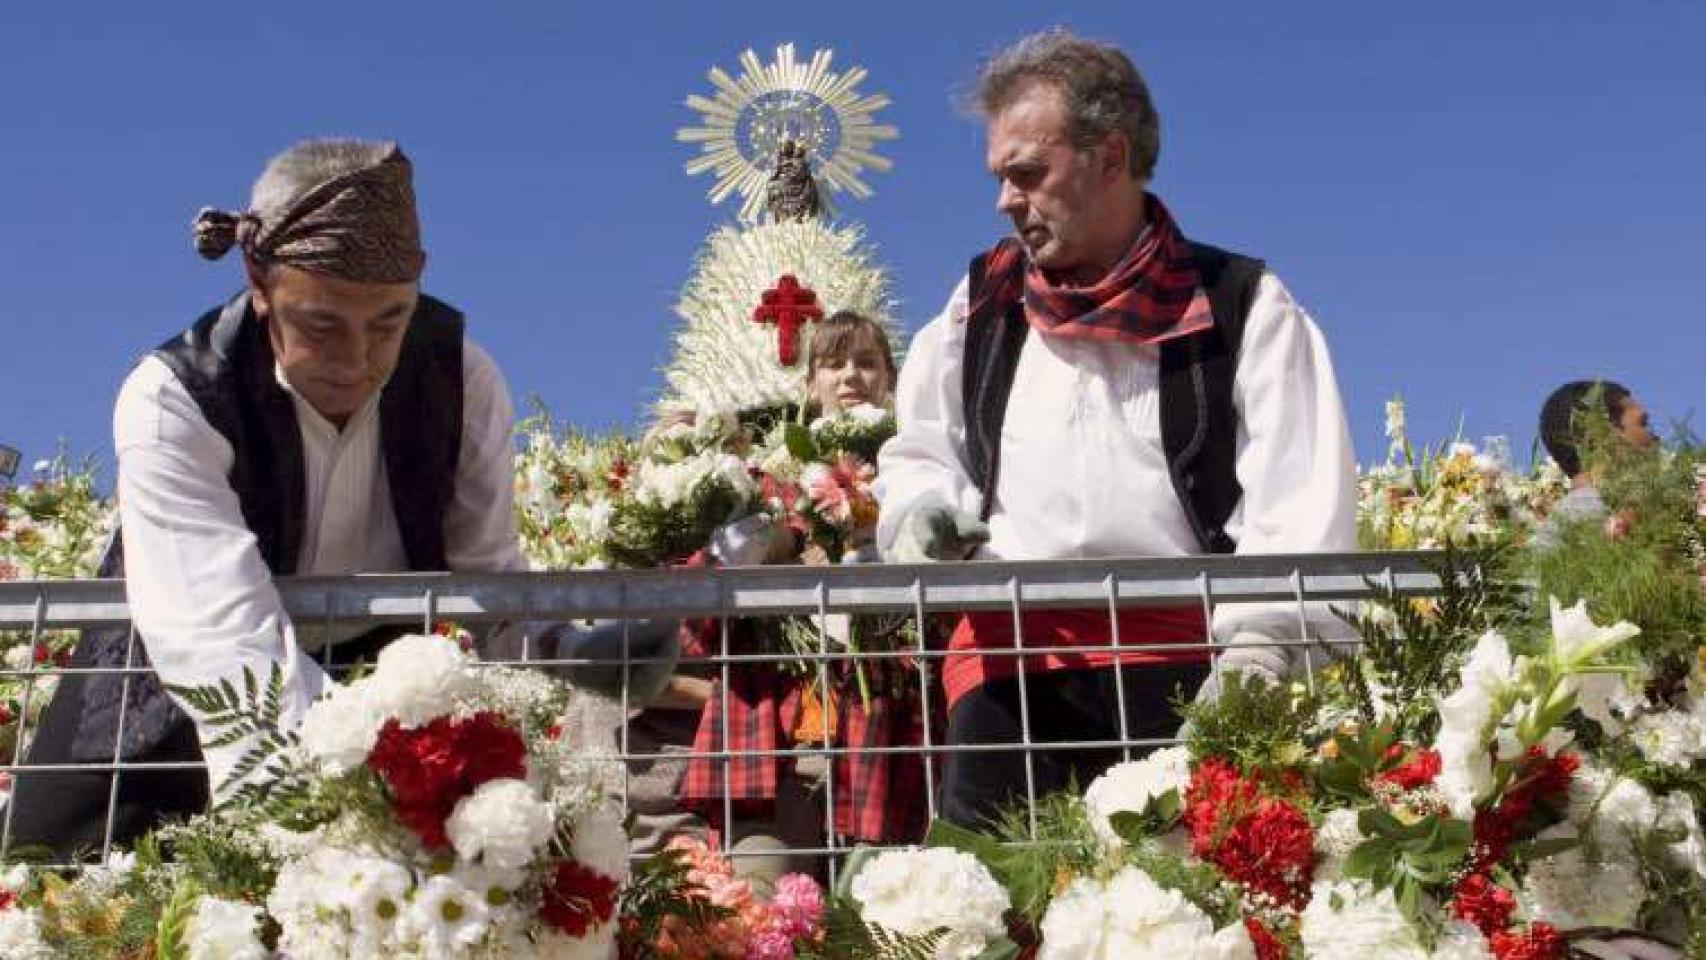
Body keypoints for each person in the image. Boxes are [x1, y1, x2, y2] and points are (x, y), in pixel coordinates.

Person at [7, 139, 666, 858]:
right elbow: (224, 641)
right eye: (322, 324)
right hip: (169, 681)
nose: (358, 361)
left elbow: (489, 584)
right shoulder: (172, 398)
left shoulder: (464, 381)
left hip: (375, 684)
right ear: (258, 280)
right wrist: (354, 796)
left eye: (389, 322)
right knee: (52, 882)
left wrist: (568, 651)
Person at [875, 29, 1358, 828]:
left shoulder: (1242, 302)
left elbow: (1299, 495)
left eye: (1027, 173)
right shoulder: (978, 307)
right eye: (1000, 177)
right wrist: (918, 513)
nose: (1005, 200)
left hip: (1192, 669)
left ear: (1110, 156)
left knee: (1193, 898)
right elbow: (922, 451)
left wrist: (1261, 658)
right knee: (989, 901)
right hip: (1008, 676)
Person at [679, 311, 932, 883]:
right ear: (810, 384)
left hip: (880, 749)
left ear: (890, 380)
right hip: (775, 750)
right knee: (757, 910)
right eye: (834, 364)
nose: (851, 376)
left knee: (881, 915)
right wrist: (769, 544)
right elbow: (693, 619)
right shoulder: (769, 485)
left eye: (867, 363)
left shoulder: (912, 482)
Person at [1536, 380, 1659, 539]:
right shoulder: (1590, 514)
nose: (1656, 438)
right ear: (1602, 431)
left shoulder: (1568, 517)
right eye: (1643, 424)